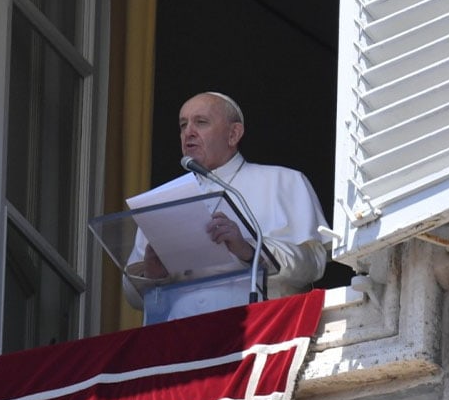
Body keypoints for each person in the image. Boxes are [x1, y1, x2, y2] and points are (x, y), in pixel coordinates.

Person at [123, 91, 328, 320]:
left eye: (201, 122)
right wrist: (152, 273)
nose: (188, 132)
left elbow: (313, 264)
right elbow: (132, 297)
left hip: (259, 326)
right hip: (180, 332)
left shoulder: (283, 181)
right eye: (183, 125)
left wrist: (249, 250)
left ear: (233, 134)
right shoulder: (163, 200)